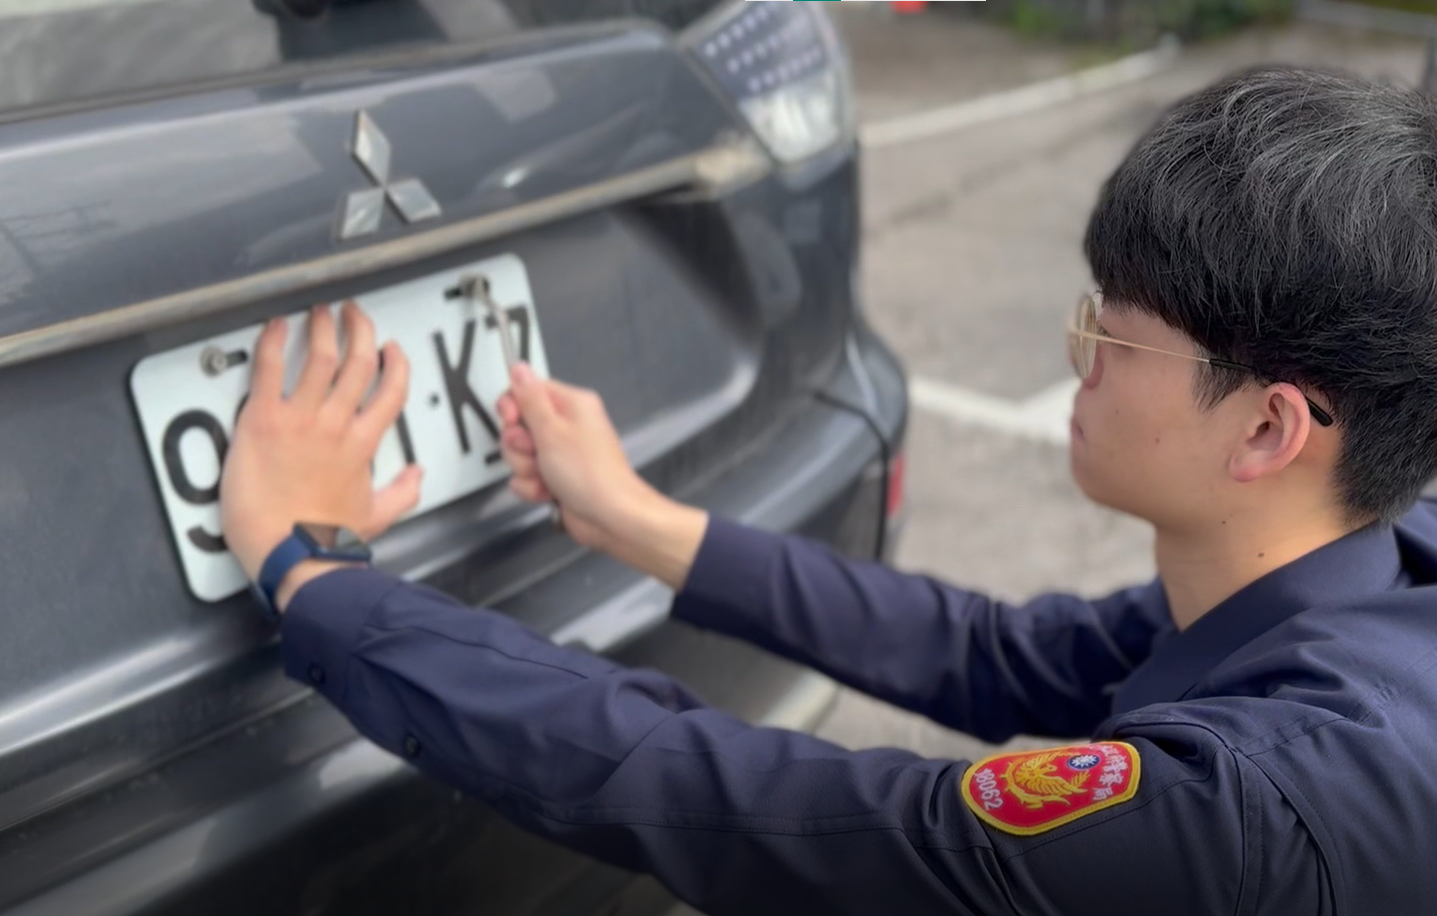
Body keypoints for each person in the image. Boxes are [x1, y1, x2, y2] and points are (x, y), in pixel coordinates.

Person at [219, 66, 1437, 915]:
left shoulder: (1241, 816)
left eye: (1110, 340)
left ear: (1272, 426)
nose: (1076, 364)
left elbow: (740, 806)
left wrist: (313, 571)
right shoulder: (1349, 574)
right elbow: (999, 654)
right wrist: (633, 516)